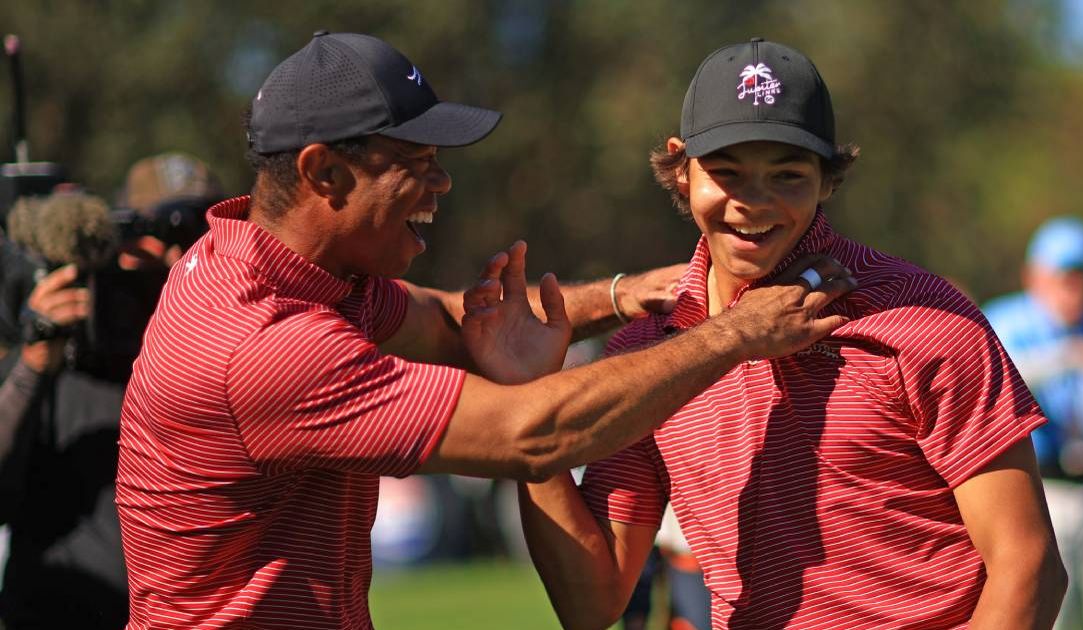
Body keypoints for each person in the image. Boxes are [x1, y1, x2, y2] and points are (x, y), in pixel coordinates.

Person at [113, 31, 854, 629]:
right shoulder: (263, 343)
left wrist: (622, 295)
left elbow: (453, 322)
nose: (441, 183)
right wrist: (732, 335)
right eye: (415, 163)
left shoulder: (293, 272)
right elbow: (532, 435)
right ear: (324, 173)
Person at [518, 38, 1067, 629]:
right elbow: (592, 602)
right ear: (681, 170)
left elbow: (1028, 564)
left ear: (829, 176)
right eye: (726, 172)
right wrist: (527, 403)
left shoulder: (925, 319)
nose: (753, 203)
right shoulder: (649, 351)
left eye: (787, 175)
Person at [0, 157, 221, 629]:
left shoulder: (233, 352)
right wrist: (35, 357)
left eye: (196, 238)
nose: (173, 259)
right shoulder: (57, 349)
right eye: (152, 237)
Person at [982, 216, 1083, 630]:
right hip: (1041, 487)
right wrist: (1070, 355)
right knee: (1051, 614)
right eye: (1066, 277)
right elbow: (1004, 383)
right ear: (1035, 276)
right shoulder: (1006, 320)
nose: (1076, 288)